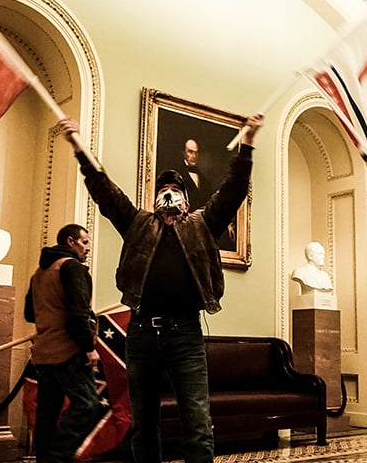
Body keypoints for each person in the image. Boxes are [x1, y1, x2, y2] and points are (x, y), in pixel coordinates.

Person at [56, 112, 263, 463]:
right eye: (163, 190)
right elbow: (104, 190)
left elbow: (233, 191)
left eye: (175, 191)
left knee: (198, 424)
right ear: (155, 199)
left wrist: (247, 142)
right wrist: (78, 145)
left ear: (185, 200)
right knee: (144, 424)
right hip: (140, 335)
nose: (169, 194)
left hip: (185, 335)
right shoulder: (137, 223)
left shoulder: (201, 224)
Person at [24, 223, 99, 463]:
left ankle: (45, 460)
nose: (87, 248)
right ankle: (58, 458)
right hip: (69, 351)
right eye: (84, 242)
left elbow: (29, 314)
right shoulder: (72, 267)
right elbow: (78, 315)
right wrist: (89, 348)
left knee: (47, 413)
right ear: (70, 241)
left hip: (44, 353)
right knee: (88, 405)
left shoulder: (39, 273)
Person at [178, 138, 213, 209]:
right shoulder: (178, 175)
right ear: (184, 153)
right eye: (190, 152)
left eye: (196, 152)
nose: (194, 156)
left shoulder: (204, 180)